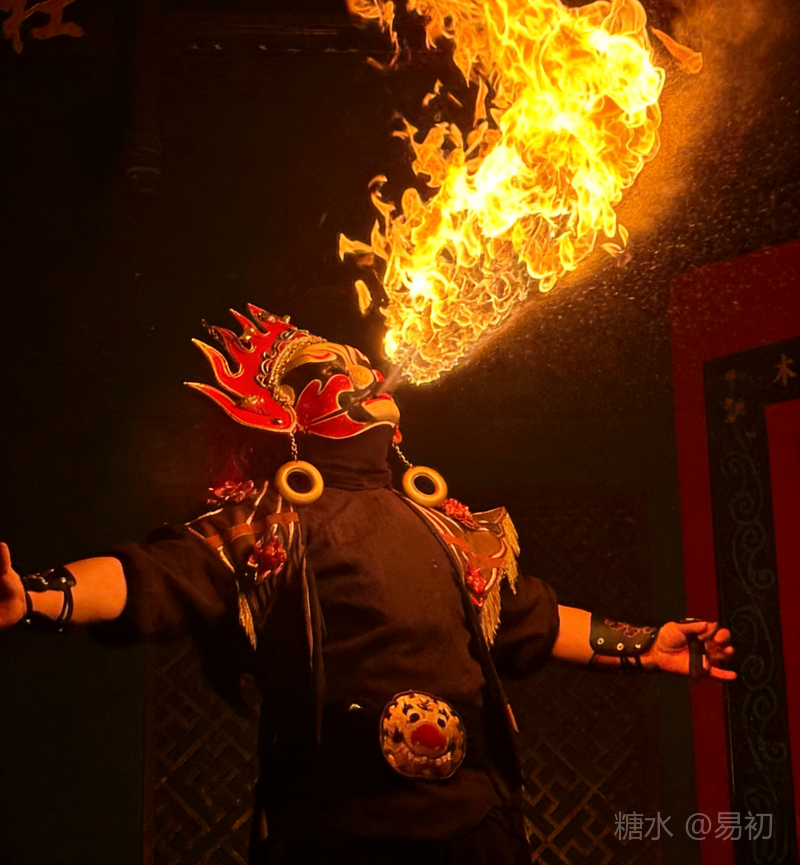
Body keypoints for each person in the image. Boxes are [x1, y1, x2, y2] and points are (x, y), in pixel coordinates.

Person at [0, 306, 735, 865]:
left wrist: (648, 645)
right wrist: (34, 595)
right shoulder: (269, 522)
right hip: (338, 832)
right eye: (333, 368)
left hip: (477, 830)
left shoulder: (445, 527)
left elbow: (530, 619)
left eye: (360, 363)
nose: (363, 371)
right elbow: (149, 577)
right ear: (290, 412)